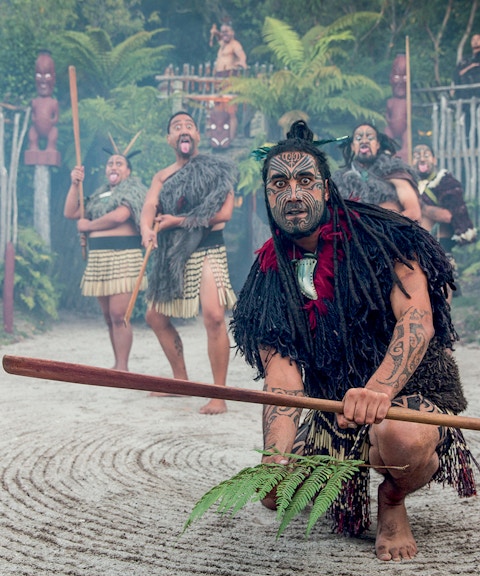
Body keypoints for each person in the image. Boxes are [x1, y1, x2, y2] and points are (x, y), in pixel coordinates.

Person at [231, 120, 478, 562]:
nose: (292, 194)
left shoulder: (384, 236)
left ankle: (392, 499)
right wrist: (275, 456)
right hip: (335, 409)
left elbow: (417, 319)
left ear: (326, 188)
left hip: (409, 393)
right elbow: (283, 377)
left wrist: (380, 389)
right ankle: (322, 466)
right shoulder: (268, 275)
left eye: (304, 180)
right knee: (273, 493)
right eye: (279, 183)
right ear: (266, 196)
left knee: (399, 436)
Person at [140, 111, 238, 415]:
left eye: (189, 126)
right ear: (170, 139)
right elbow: (149, 206)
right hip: (174, 253)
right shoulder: (163, 175)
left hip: (207, 247)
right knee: (155, 317)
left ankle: (218, 394)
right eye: (176, 127)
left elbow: (223, 214)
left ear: (197, 136)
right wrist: (146, 229)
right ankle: (180, 379)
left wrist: (176, 221)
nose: (183, 130)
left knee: (213, 316)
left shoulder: (216, 168)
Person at [64, 144, 147, 371]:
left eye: (119, 163)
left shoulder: (134, 189)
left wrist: (89, 225)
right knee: (108, 316)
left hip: (123, 257)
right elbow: (71, 212)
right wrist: (75, 184)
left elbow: (121, 215)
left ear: (128, 171)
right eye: (110, 163)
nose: (113, 166)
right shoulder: (100, 194)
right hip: (99, 258)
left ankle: (123, 367)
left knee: (120, 314)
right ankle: (117, 364)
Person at [412, 142, 477, 300]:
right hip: (417, 244)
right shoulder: (409, 184)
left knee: (443, 290)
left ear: (434, 159)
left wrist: (421, 206)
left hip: (441, 243)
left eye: (426, 155)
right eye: (417, 155)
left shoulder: (445, 182)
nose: (422, 158)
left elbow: (448, 216)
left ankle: (445, 323)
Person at [333, 122, 421, 221]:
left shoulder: (394, 171)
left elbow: (414, 212)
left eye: (370, 138)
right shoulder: (341, 181)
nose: (364, 141)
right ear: (353, 146)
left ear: (378, 144)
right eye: (358, 138)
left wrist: (382, 224)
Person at [209, 21, 247, 143]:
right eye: (223, 31)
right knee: (218, 108)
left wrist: (242, 62)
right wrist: (215, 34)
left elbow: (242, 55)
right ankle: (219, 138)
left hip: (229, 78)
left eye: (227, 31)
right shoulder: (222, 44)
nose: (224, 34)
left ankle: (231, 138)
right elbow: (221, 37)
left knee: (231, 110)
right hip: (219, 78)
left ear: (232, 32)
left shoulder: (235, 45)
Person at [454, 34, 480, 138]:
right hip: (466, 94)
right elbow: (457, 74)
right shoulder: (466, 59)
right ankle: (469, 141)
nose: (475, 41)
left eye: (478, 39)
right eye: (473, 39)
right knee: (468, 118)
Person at [385, 54, 408, 162]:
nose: (401, 81)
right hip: (391, 128)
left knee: (407, 135)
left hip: (405, 129)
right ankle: (388, 150)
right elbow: (387, 115)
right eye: (397, 76)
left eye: (405, 77)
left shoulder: (407, 102)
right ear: (391, 78)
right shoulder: (390, 102)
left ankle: (405, 149)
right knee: (387, 134)